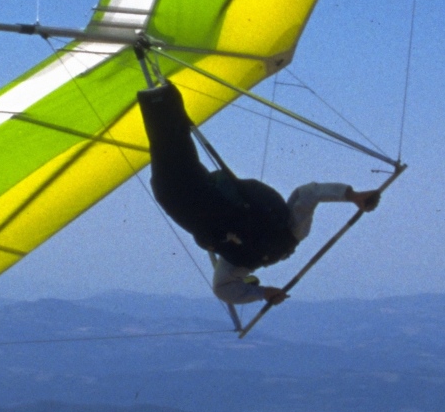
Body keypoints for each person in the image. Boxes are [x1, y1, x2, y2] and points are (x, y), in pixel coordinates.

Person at [137, 81, 379, 307]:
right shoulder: (249, 257)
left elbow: (309, 194)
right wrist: (261, 293)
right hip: (179, 196)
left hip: (188, 195)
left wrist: (353, 196)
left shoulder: (270, 246)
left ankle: (163, 96)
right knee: (170, 146)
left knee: (172, 145)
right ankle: (161, 96)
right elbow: (223, 290)